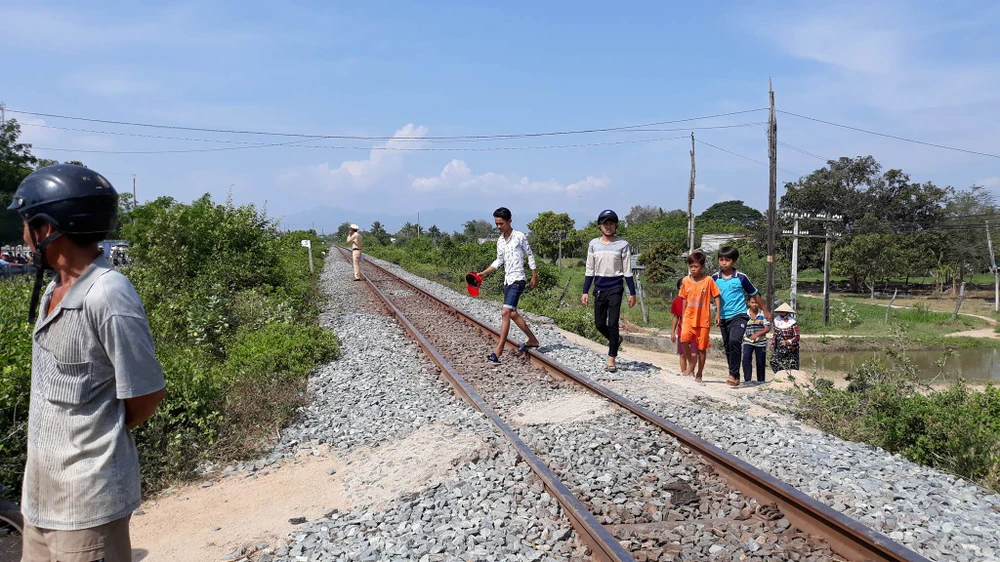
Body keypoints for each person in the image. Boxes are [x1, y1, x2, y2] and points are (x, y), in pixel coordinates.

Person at [8, 164, 166, 562]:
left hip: (86, 505)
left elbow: (146, 394)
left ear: (47, 228)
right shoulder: (55, 289)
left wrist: (96, 435)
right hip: (40, 501)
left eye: (26, 223)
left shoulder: (107, 295)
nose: (22, 235)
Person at [476, 207, 540, 362]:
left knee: (505, 312)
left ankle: (498, 350)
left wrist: (534, 275)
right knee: (511, 313)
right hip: (508, 280)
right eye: (497, 224)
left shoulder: (519, 236)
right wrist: (483, 273)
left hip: (518, 279)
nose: (499, 226)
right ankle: (532, 340)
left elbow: (529, 254)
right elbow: (499, 261)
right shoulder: (500, 241)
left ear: (509, 221)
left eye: (501, 223)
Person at [581, 209, 637, 372]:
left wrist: (632, 293)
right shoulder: (594, 244)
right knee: (599, 324)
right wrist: (585, 291)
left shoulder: (622, 244)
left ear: (616, 225)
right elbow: (589, 269)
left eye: (611, 223)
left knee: (612, 323)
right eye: (605, 223)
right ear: (600, 225)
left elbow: (627, 270)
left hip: (615, 287)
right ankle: (615, 340)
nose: (608, 226)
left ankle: (611, 358)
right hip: (599, 288)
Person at [712, 245, 771, 388]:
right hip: (723, 317)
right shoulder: (714, 278)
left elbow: (754, 293)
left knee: (734, 340)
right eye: (721, 259)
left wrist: (765, 310)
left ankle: (732, 374)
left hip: (739, 315)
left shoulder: (741, 277)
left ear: (734, 261)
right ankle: (735, 375)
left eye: (727, 260)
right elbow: (708, 294)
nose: (724, 263)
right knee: (728, 345)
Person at [678, 250, 721, 384]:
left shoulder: (708, 281)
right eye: (691, 266)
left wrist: (718, 313)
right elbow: (684, 298)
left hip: (703, 319)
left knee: (701, 348)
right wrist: (683, 316)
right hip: (688, 318)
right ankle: (691, 364)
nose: (693, 269)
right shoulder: (685, 281)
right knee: (684, 340)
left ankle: (699, 373)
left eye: (696, 266)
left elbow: (716, 296)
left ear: (702, 267)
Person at [742, 300, 771, 383]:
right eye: (752, 302)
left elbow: (767, 328)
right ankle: (747, 380)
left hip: (761, 341)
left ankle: (761, 381)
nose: (754, 304)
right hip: (748, 340)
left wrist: (757, 334)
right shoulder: (745, 314)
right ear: (748, 303)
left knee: (760, 361)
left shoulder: (763, 314)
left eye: (756, 302)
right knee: (746, 358)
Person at [770, 302, 800, 373]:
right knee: (774, 362)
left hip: (791, 349)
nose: (782, 313)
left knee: (792, 366)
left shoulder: (792, 322)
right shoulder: (777, 320)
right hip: (779, 348)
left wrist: (787, 341)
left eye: (783, 311)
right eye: (781, 311)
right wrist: (772, 341)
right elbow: (775, 334)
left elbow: (797, 337)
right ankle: (780, 375)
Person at [670, 277, 689, 376]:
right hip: (682, 330)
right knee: (682, 354)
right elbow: (676, 317)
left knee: (693, 353)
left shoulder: (693, 299)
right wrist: (673, 332)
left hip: (693, 330)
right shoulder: (676, 301)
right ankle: (684, 373)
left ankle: (691, 372)